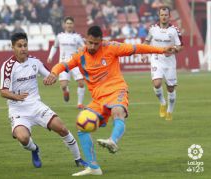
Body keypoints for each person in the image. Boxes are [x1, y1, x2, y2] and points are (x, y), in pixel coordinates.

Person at [44, 25, 175, 176]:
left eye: (96, 43)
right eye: (90, 43)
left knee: (117, 111)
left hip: (116, 90)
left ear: (102, 41)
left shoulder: (111, 47)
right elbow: (63, 65)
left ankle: (113, 140)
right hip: (98, 99)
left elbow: (137, 48)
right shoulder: (80, 55)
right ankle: (93, 167)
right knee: (81, 126)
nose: (93, 46)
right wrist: (54, 73)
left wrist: (162, 50)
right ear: (86, 40)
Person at [0, 32, 87, 169]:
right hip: (18, 110)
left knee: (62, 128)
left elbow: (51, 74)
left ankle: (79, 159)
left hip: (36, 106)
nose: (23, 49)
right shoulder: (8, 66)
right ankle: (34, 149)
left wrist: (51, 78)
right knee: (23, 138)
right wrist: (16, 97)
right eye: (19, 46)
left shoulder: (35, 62)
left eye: (25, 45)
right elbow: (2, 92)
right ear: (13, 47)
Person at [142, 6, 183, 121]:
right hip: (156, 58)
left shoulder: (174, 30)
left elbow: (180, 46)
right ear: (159, 16)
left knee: (170, 88)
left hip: (169, 62)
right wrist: (144, 53)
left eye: (166, 15)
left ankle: (169, 111)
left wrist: (174, 50)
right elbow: (146, 41)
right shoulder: (153, 29)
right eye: (162, 15)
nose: (164, 17)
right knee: (157, 83)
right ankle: (162, 103)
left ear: (169, 16)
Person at [47, 16, 85, 109]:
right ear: (64, 25)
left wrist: (82, 52)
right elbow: (55, 46)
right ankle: (65, 91)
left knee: (81, 83)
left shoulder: (77, 37)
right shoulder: (60, 36)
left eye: (71, 23)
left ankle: (79, 104)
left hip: (75, 63)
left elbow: (84, 48)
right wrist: (50, 56)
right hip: (63, 64)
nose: (69, 25)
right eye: (67, 23)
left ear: (73, 25)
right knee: (63, 85)